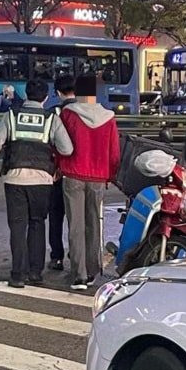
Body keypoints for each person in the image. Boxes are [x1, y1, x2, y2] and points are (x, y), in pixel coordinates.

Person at [0, 78, 73, 288]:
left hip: (15, 178)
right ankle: (35, 273)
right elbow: (67, 149)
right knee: (37, 223)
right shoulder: (51, 119)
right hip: (42, 180)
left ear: (26, 95)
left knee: (18, 226)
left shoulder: (12, 115)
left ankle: (17, 275)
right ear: (46, 98)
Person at [57, 76, 120, 291]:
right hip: (98, 179)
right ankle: (93, 272)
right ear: (94, 93)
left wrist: (58, 166)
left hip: (73, 175)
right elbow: (114, 152)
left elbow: (60, 144)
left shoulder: (69, 114)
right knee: (94, 224)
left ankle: (79, 275)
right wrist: (110, 176)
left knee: (75, 226)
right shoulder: (109, 117)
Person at [47, 75, 77, 271]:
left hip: (58, 172)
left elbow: (50, 142)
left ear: (57, 92)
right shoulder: (87, 112)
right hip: (81, 171)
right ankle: (77, 256)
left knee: (56, 217)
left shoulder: (53, 113)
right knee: (77, 220)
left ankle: (56, 257)